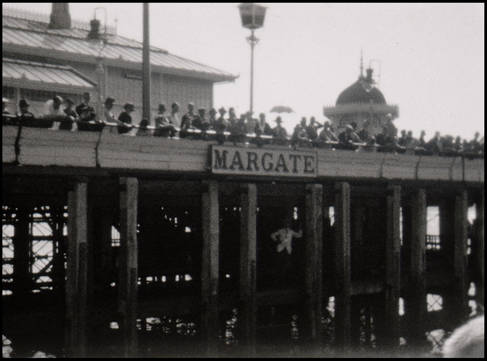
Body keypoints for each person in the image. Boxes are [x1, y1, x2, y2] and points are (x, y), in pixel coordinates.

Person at [270, 219, 303, 287]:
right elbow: (272, 235)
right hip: (280, 250)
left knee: (287, 265)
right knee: (279, 265)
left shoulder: (291, 231)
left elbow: (298, 235)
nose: (287, 225)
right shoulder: (280, 231)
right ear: (284, 224)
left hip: (288, 251)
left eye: (288, 224)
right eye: (286, 223)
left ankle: (284, 280)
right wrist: (277, 240)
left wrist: (300, 228)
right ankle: (278, 280)